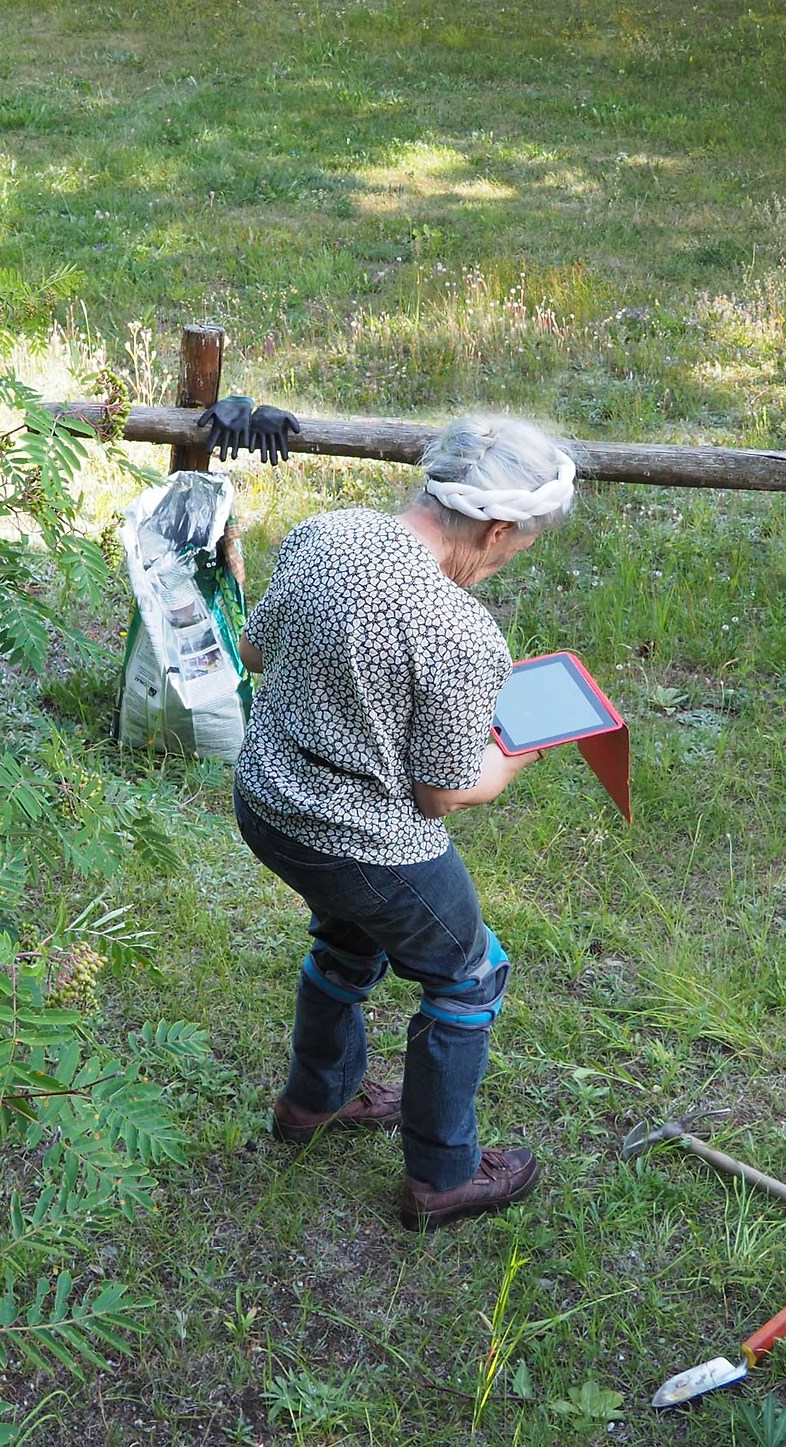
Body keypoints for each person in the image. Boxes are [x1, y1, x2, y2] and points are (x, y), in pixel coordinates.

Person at [233, 416, 576, 1228]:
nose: (509, 558)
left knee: (348, 937)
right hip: (364, 844)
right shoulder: (459, 632)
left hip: (269, 802)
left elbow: (255, 651)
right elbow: (439, 796)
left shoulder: (328, 532)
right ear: (496, 527)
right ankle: (444, 1175)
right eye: (518, 544)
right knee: (467, 974)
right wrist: (529, 746)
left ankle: (317, 1099)